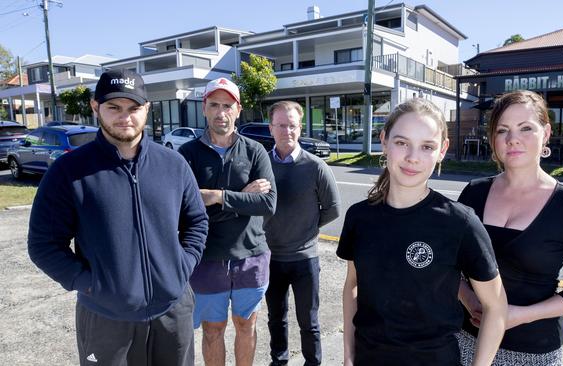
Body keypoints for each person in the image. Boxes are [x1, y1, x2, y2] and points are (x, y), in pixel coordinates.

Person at [27, 69, 209, 366]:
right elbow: (43, 244)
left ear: (147, 110)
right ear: (95, 107)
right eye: (114, 107)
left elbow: (197, 223)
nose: (125, 117)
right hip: (105, 318)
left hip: (173, 312)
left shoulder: (173, 165)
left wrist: (182, 266)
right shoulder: (69, 171)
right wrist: (90, 284)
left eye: (134, 108)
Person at [337, 98, 508, 366]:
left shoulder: (460, 222)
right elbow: (352, 285)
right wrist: (348, 355)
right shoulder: (360, 217)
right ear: (384, 141)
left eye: (426, 146)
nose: (412, 157)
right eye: (402, 142)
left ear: (442, 150)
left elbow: (496, 307)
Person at [456, 90, 563, 366]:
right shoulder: (473, 193)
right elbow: (448, 263)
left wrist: (518, 314)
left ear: (546, 133)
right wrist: (468, 299)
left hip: (534, 352)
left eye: (526, 128)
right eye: (503, 130)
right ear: (493, 139)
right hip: (466, 341)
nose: (513, 139)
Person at [178, 77, 276, 366]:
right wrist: (241, 198)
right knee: (213, 330)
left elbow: (268, 204)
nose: (221, 112)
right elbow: (185, 212)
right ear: (204, 109)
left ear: (238, 109)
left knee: (246, 325)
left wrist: (217, 196)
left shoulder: (255, 151)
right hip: (207, 259)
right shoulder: (188, 156)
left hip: (251, 257)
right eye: (214, 105)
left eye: (227, 106)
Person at [263, 101, 341, 366]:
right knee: (276, 318)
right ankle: (279, 360)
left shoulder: (316, 166)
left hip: (305, 260)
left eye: (293, 125)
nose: (287, 131)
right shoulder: (261, 164)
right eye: (281, 125)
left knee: (309, 321)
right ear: (271, 128)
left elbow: (332, 209)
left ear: (300, 128)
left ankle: (313, 363)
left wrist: (307, 229)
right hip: (270, 258)